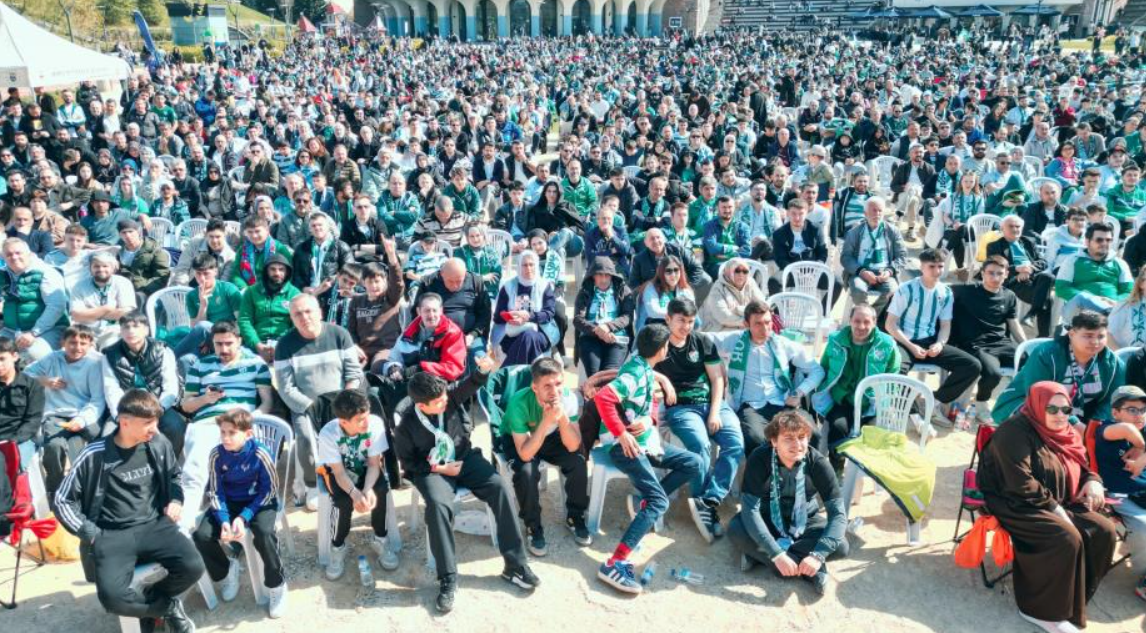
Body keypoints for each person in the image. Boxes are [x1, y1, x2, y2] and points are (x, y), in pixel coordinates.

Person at [393, 361, 540, 614]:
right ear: (422, 406)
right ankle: (448, 578)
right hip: (433, 469)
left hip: (464, 457)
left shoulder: (448, 396)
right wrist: (440, 468)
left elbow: (471, 383)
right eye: (438, 401)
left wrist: (483, 370)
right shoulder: (406, 425)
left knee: (499, 487)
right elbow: (408, 463)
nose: (445, 401)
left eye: (444, 396)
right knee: (438, 507)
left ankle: (515, 565)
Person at [53, 389, 205, 633]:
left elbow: (174, 476)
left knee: (193, 566)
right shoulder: (94, 454)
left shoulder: (158, 443)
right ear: (124, 422)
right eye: (147, 423)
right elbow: (62, 500)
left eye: (155, 421)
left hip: (155, 525)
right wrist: (92, 534)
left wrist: (176, 499)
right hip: (111, 534)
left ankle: (153, 601)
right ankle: (164, 607)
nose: (154, 428)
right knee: (112, 599)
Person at [977, 381, 1116, 632]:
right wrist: (1055, 509)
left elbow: (1082, 465)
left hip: (1059, 497)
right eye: (1052, 409)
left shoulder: (1067, 432)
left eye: (1066, 409)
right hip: (1014, 500)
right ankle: (1039, 611)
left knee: (1104, 530)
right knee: (1065, 537)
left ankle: (1071, 598)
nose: (1060, 415)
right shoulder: (1013, 432)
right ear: (1037, 405)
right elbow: (1019, 482)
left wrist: (1093, 481)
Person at [594, 324, 704, 594]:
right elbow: (604, 398)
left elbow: (651, 399)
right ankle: (614, 563)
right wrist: (621, 433)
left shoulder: (643, 365)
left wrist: (650, 419)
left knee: (694, 463)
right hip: (624, 446)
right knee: (659, 502)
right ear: (662, 349)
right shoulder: (635, 372)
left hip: (646, 440)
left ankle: (645, 503)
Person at [727, 410, 848, 595]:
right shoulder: (759, 459)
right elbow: (750, 510)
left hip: (805, 519)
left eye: (801, 437)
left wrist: (818, 554)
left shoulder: (818, 463)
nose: (797, 445)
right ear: (774, 441)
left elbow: (838, 514)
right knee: (736, 529)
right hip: (767, 517)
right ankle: (798, 566)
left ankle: (761, 557)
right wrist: (776, 553)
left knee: (840, 546)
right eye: (788, 438)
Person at [654, 298, 745, 542]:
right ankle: (702, 507)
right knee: (701, 446)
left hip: (713, 404)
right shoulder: (659, 344)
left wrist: (714, 412)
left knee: (735, 443)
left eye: (691, 321)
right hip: (682, 408)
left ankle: (709, 500)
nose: (686, 326)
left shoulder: (702, 341)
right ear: (668, 319)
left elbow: (717, 379)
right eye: (681, 320)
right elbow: (638, 367)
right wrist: (662, 380)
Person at [179, 320, 274, 530]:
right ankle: (185, 525)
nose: (224, 349)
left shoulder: (256, 364)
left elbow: (267, 402)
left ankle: (248, 519)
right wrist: (205, 399)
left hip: (240, 423)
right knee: (194, 471)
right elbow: (186, 405)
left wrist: (249, 420)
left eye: (229, 343)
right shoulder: (200, 366)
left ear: (239, 341)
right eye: (218, 344)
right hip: (207, 422)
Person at [192, 409, 286, 618]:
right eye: (223, 432)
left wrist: (244, 517)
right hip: (230, 503)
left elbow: (270, 490)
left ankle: (277, 584)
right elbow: (215, 491)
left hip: (259, 503)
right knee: (201, 536)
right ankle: (227, 571)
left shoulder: (260, 454)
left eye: (232, 433)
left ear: (248, 434)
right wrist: (225, 520)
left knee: (264, 534)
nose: (226, 438)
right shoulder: (216, 455)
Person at [274, 294, 364, 510]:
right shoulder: (284, 345)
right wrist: (312, 407)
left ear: (320, 312)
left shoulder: (340, 334)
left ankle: (355, 475)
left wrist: (345, 403)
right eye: (297, 314)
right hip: (306, 405)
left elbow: (354, 374)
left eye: (308, 311)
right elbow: (286, 388)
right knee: (305, 437)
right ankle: (313, 483)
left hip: (342, 401)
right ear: (291, 318)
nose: (304, 317)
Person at [710, 298, 824, 456]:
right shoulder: (735, 340)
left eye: (768, 322)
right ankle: (766, 472)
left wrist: (798, 393)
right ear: (746, 324)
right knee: (756, 439)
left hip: (782, 403)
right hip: (750, 407)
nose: (765, 328)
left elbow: (817, 370)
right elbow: (701, 338)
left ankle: (804, 471)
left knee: (813, 434)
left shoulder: (782, 344)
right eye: (758, 323)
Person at [501, 357, 592, 555]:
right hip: (519, 439)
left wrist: (562, 418)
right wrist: (546, 421)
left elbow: (573, 445)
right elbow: (525, 454)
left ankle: (575, 516)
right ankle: (533, 526)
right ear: (535, 387)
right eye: (547, 386)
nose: (555, 391)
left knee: (578, 461)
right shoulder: (519, 402)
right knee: (526, 472)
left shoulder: (568, 398)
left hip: (551, 434)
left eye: (558, 383)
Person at [886, 248, 981, 418]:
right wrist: (911, 346)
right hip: (905, 341)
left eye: (940, 266)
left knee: (972, 366)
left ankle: (934, 400)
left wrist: (940, 343)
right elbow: (890, 324)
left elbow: (945, 325)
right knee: (896, 372)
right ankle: (913, 412)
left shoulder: (946, 292)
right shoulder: (906, 289)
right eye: (932, 266)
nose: (937, 271)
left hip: (930, 342)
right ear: (922, 267)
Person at [317, 389, 399, 579]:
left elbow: (374, 464)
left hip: (366, 468)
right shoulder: (328, 433)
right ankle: (338, 546)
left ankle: (380, 539)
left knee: (380, 489)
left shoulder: (375, 424)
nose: (366, 422)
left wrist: (367, 490)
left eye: (367, 416)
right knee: (342, 500)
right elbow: (338, 472)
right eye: (360, 420)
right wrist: (355, 494)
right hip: (340, 471)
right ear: (343, 422)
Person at [993, 311, 1124, 425]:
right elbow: (1038, 397)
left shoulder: (1113, 363)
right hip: (1034, 406)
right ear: (1071, 334)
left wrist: (1096, 426)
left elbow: (1112, 400)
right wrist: (1075, 425)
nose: (1095, 342)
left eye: (1101, 336)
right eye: (1088, 336)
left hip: (1085, 415)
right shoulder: (1046, 355)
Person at [810, 304, 900, 463]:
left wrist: (886, 404)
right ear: (850, 320)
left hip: (871, 403)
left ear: (874, 322)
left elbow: (893, 376)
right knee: (838, 428)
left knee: (872, 437)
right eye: (857, 321)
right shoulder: (835, 340)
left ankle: (862, 471)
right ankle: (836, 467)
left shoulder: (887, 344)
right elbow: (824, 368)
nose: (861, 326)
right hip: (842, 400)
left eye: (867, 322)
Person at [24, 325, 106, 495]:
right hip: (56, 414)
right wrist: (44, 381)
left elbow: (97, 399)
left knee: (99, 440)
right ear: (63, 342)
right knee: (54, 447)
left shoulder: (95, 363)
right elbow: (25, 374)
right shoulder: (54, 358)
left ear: (91, 344)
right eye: (72, 343)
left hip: (85, 413)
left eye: (83, 343)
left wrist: (81, 420)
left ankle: (97, 484)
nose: (77, 348)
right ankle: (56, 488)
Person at [950, 256, 1027, 424]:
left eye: (999, 273)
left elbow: (1014, 324)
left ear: (1006, 274)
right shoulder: (966, 292)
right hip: (976, 345)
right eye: (991, 273)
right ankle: (981, 404)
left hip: (1001, 343)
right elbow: (938, 289)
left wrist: (1026, 345)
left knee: (1030, 363)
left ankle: (1018, 406)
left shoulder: (1009, 295)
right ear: (982, 273)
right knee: (993, 374)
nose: (995, 278)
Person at [101, 313, 185, 455]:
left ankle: (169, 464)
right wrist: (119, 416)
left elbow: (170, 386)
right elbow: (111, 390)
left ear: (146, 330)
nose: (131, 331)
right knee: (108, 435)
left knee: (175, 427)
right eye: (126, 327)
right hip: (127, 408)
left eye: (136, 326)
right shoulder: (110, 355)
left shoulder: (162, 350)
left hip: (158, 405)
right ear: (120, 331)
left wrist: (158, 411)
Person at [1091, 385, 1146, 600]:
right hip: (1120, 496)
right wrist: (1141, 447)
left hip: (1141, 492)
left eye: (1143, 410)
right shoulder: (1107, 429)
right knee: (1144, 528)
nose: (1139, 415)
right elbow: (1128, 430)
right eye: (1132, 409)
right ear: (1115, 413)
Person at [988, 214, 1057, 337]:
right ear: (1002, 228)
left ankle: (1032, 314)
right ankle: (1043, 335)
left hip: (1033, 278)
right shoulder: (994, 246)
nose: (1015, 229)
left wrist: (1030, 269)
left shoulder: (1028, 241)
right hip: (1014, 281)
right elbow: (995, 266)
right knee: (1046, 298)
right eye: (1011, 226)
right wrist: (1017, 269)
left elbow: (1043, 262)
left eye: (1018, 226)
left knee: (1048, 278)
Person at [0, 237, 68, 362]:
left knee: (33, 355)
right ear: (3, 258)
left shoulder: (46, 272)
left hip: (47, 330)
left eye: (18, 253)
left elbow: (56, 306)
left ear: (29, 253)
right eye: (9, 254)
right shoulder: (2, 274)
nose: (14, 257)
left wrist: (33, 333)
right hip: (10, 330)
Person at [415, 258, 493, 359]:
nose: (455, 285)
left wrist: (473, 335)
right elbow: (417, 314)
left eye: (459, 281)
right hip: (437, 337)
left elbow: (485, 314)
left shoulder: (475, 282)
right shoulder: (429, 284)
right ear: (442, 274)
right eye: (450, 281)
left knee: (479, 360)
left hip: (470, 337)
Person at [841, 197, 907, 314]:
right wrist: (862, 271)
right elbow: (846, 257)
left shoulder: (893, 231)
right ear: (865, 213)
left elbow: (902, 256)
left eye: (880, 211)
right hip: (860, 272)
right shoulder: (854, 232)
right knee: (858, 290)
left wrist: (889, 271)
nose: (877, 214)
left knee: (894, 292)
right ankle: (866, 316)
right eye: (874, 210)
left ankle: (871, 317)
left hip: (884, 272)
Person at [1055, 222, 1133, 320]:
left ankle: (1107, 314)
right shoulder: (1072, 260)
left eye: (1108, 240)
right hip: (1080, 311)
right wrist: (1093, 299)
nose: (1104, 243)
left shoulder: (1120, 263)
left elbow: (1129, 292)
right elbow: (1061, 288)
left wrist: (1115, 302)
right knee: (1082, 297)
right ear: (1087, 242)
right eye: (1099, 240)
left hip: (1112, 308)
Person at [492, 251, 559, 366]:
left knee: (528, 336)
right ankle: (537, 372)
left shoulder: (544, 285)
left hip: (540, 331)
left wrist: (528, 317)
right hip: (512, 332)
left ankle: (507, 372)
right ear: (518, 266)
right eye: (524, 265)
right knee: (527, 340)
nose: (528, 268)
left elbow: (549, 313)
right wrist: (512, 317)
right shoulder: (508, 286)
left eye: (531, 264)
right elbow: (498, 316)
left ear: (536, 265)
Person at [573, 257, 635, 377]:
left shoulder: (623, 290)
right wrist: (598, 330)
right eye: (599, 275)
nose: (603, 279)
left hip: (616, 337)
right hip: (590, 337)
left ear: (612, 276)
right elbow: (578, 319)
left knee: (609, 375)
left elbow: (627, 316)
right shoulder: (585, 292)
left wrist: (608, 327)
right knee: (594, 376)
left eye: (607, 275)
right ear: (593, 276)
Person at [348, 245, 404, 375]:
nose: (374, 286)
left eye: (377, 281)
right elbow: (351, 330)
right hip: (362, 351)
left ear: (385, 281)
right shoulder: (356, 301)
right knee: (348, 370)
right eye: (370, 282)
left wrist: (392, 257)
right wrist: (354, 346)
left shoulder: (390, 298)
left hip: (385, 349)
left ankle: (393, 371)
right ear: (363, 283)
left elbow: (397, 282)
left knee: (377, 367)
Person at [237, 253, 300, 363]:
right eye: (273, 269)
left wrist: (282, 345)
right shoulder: (251, 292)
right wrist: (257, 345)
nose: (277, 273)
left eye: (281, 269)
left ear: (287, 272)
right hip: (256, 344)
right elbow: (244, 320)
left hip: (286, 344)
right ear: (266, 271)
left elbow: (298, 323)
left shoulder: (294, 293)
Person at [69, 251, 137, 349]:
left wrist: (89, 313)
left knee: (110, 350)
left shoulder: (123, 283)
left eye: (105, 266)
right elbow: (76, 316)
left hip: (114, 331)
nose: (101, 269)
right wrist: (107, 308)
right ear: (90, 268)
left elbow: (126, 313)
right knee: (84, 354)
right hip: (86, 331)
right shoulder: (79, 286)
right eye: (96, 266)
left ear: (113, 268)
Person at [0, 337, 44, 470]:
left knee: (14, 465)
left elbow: (33, 421)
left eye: (2, 359)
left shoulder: (32, 386)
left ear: (15, 356)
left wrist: (12, 441)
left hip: (21, 440)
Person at [935, 171, 984, 278]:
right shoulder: (953, 197)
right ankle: (961, 269)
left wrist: (962, 225)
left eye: (971, 181)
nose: (968, 184)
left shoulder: (979, 199)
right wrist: (953, 224)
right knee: (959, 240)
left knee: (964, 227)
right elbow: (945, 217)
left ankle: (945, 252)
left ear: (975, 183)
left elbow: (978, 219)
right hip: (953, 229)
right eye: (966, 181)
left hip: (971, 231)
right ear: (961, 181)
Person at [115, 219, 170, 306]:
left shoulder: (155, 250)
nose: (128, 235)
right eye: (124, 232)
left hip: (147, 291)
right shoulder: (118, 252)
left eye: (130, 231)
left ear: (138, 232)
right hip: (124, 291)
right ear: (120, 235)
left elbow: (162, 275)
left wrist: (144, 290)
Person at [634, 254, 695, 332]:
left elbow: (691, 311)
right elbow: (654, 312)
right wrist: (678, 316)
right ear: (661, 272)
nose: (673, 275)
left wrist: (679, 317)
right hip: (652, 329)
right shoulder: (651, 288)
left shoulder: (685, 289)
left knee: (696, 322)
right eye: (668, 271)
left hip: (674, 327)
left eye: (676, 270)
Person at [231, 215, 293, 289]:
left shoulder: (280, 249)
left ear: (267, 231)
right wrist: (245, 289)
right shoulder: (242, 250)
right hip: (248, 290)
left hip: (274, 289)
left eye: (257, 231)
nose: (254, 236)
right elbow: (236, 274)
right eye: (250, 232)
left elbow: (289, 275)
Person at [170, 219, 236, 286]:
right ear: (206, 235)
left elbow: (222, 284)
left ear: (224, 235)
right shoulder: (194, 243)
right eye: (211, 236)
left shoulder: (231, 257)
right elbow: (182, 269)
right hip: (187, 285)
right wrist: (184, 288)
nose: (214, 241)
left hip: (213, 289)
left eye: (218, 237)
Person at [701, 195, 751, 278]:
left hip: (737, 263)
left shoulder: (743, 226)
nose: (727, 210)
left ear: (734, 208)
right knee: (730, 272)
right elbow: (712, 247)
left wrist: (728, 256)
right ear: (717, 208)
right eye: (724, 207)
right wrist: (733, 248)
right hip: (715, 264)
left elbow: (747, 250)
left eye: (730, 207)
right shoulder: (709, 226)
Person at [1109, 267, 1146, 350]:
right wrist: (1120, 356)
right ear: (1141, 283)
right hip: (1127, 355)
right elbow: (1108, 335)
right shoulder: (1125, 306)